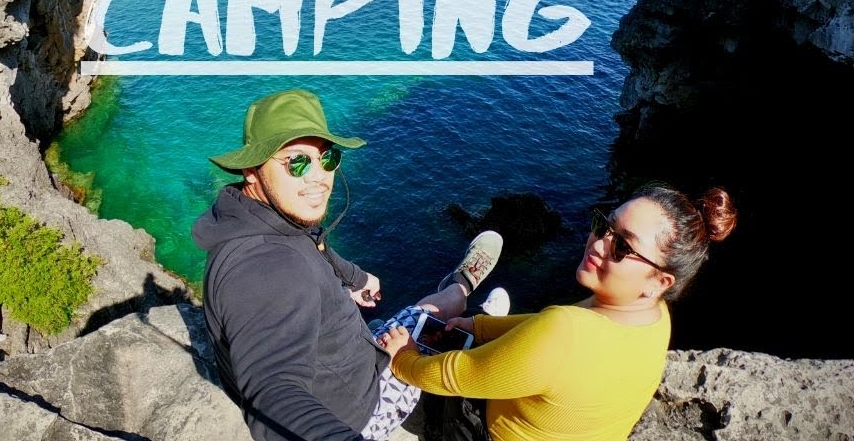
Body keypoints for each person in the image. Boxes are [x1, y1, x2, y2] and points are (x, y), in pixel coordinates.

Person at [192, 88, 504, 441]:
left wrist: (354, 278)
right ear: (252, 170)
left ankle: (460, 286)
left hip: (350, 359)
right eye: (296, 162)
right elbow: (274, 393)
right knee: (441, 328)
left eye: (327, 158)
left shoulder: (258, 217)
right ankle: (474, 303)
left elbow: (311, 242)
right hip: (366, 404)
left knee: (429, 313)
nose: (318, 176)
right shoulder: (266, 269)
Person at [379, 184, 737, 441]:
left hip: (485, 430)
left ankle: (456, 288)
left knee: (413, 335)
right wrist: (480, 326)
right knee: (480, 334)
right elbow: (545, 329)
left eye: (622, 246)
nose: (598, 242)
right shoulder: (656, 317)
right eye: (604, 225)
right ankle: (467, 299)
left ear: (659, 281)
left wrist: (404, 359)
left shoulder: (567, 331)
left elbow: (457, 375)